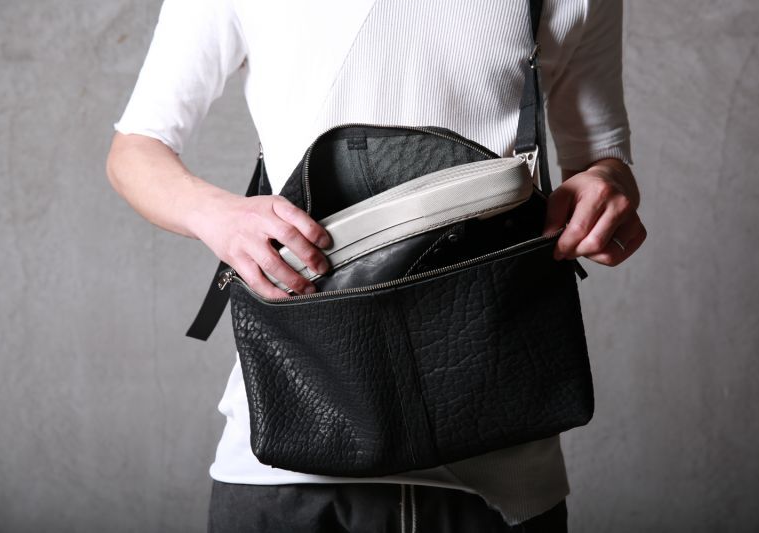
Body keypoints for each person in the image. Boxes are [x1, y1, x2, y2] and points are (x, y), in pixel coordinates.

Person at [106, 0, 646, 531]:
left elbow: (601, 157)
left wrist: (606, 186)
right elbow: (135, 149)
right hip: (292, 462)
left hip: (505, 477)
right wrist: (218, 215)